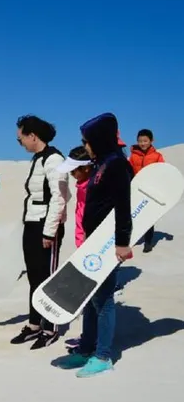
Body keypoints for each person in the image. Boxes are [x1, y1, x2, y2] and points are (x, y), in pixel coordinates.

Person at [54, 112, 133, 377]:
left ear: (99, 139)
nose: (85, 145)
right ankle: (86, 348)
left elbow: (123, 207)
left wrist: (122, 242)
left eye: (87, 141)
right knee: (88, 298)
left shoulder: (116, 165)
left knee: (104, 300)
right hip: (91, 243)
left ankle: (103, 355)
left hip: (107, 245)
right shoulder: (101, 163)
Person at [11, 115, 70, 349]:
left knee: (48, 277)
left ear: (32, 136)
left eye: (20, 139)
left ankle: (51, 327)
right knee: (34, 277)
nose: (20, 143)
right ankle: (35, 324)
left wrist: (49, 232)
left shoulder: (54, 159)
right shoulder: (38, 159)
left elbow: (60, 197)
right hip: (32, 223)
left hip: (47, 226)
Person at [53, 146, 93, 350]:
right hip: (83, 244)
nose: (72, 175)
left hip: (92, 247)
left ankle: (94, 343)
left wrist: (88, 243)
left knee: (96, 300)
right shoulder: (82, 184)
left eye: (74, 170)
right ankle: (88, 337)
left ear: (86, 168)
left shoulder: (92, 186)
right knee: (88, 299)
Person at [129, 128, 166, 252]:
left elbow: (162, 172)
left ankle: (148, 242)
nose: (142, 143)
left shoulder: (157, 156)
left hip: (151, 191)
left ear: (152, 141)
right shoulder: (133, 156)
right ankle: (131, 239)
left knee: (148, 217)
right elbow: (129, 172)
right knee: (135, 215)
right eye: (140, 141)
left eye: (145, 141)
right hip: (138, 190)